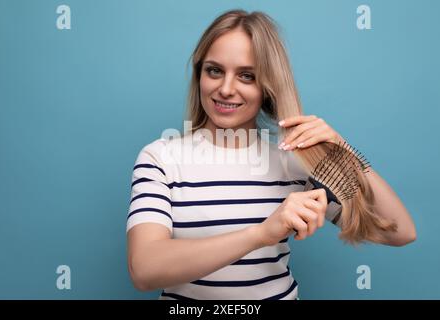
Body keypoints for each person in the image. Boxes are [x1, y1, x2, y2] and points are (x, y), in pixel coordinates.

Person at [126, 9, 416, 300]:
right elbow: (145, 269)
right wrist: (262, 234)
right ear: (199, 74)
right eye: (214, 70)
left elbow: (399, 231)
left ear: (267, 86)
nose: (226, 89)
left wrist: (344, 150)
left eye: (247, 76)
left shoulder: (295, 161)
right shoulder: (161, 158)